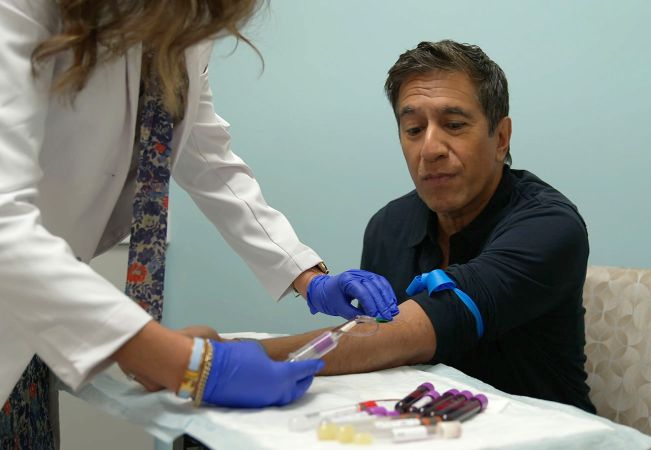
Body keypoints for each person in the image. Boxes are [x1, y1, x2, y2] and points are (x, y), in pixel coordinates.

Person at [0, 0, 398, 447]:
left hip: (36, 300)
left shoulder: (182, 30)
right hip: (23, 279)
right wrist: (180, 361)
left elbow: (206, 156)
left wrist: (306, 276)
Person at [259, 40, 595, 413]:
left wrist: (227, 357)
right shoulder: (388, 226)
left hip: (543, 431)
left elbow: (405, 334)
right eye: (414, 129)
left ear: (501, 139)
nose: (430, 148)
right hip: (425, 426)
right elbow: (372, 349)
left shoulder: (549, 226)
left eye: (454, 125)